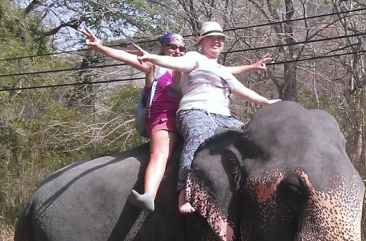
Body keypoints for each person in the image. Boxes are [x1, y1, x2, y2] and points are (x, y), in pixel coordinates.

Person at [83, 27, 271, 212]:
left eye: (181, 48)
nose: (178, 51)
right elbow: (128, 58)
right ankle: (149, 195)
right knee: (162, 153)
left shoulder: (185, 70)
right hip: (162, 117)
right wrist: (99, 47)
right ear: (163, 48)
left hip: (187, 115)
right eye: (172, 47)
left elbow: (223, 70)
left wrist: (252, 67)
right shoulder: (155, 66)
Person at [136, 21, 280, 214]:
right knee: (198, 138)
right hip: (194, 111)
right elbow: (177, 63)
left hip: (223, 116)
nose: (217, 41)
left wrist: (266, 102)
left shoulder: (221, 69)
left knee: (251, 137)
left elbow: (241, 90)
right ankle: (184, 194)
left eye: (220, 39)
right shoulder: (194, 57)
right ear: (202, 41)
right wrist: (152, 57)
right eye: (212, 38)